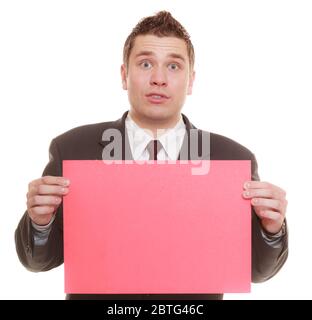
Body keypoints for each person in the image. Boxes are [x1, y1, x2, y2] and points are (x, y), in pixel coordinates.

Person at [15, 11, 288, 300]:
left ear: (191, 81)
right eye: (146, 64)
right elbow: (38, 262)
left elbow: (256, 272)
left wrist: (271, 230)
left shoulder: (230, 159)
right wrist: (40, 222)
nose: (158, 78)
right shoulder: (72, 150)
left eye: (173, 66)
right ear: (124, 75)